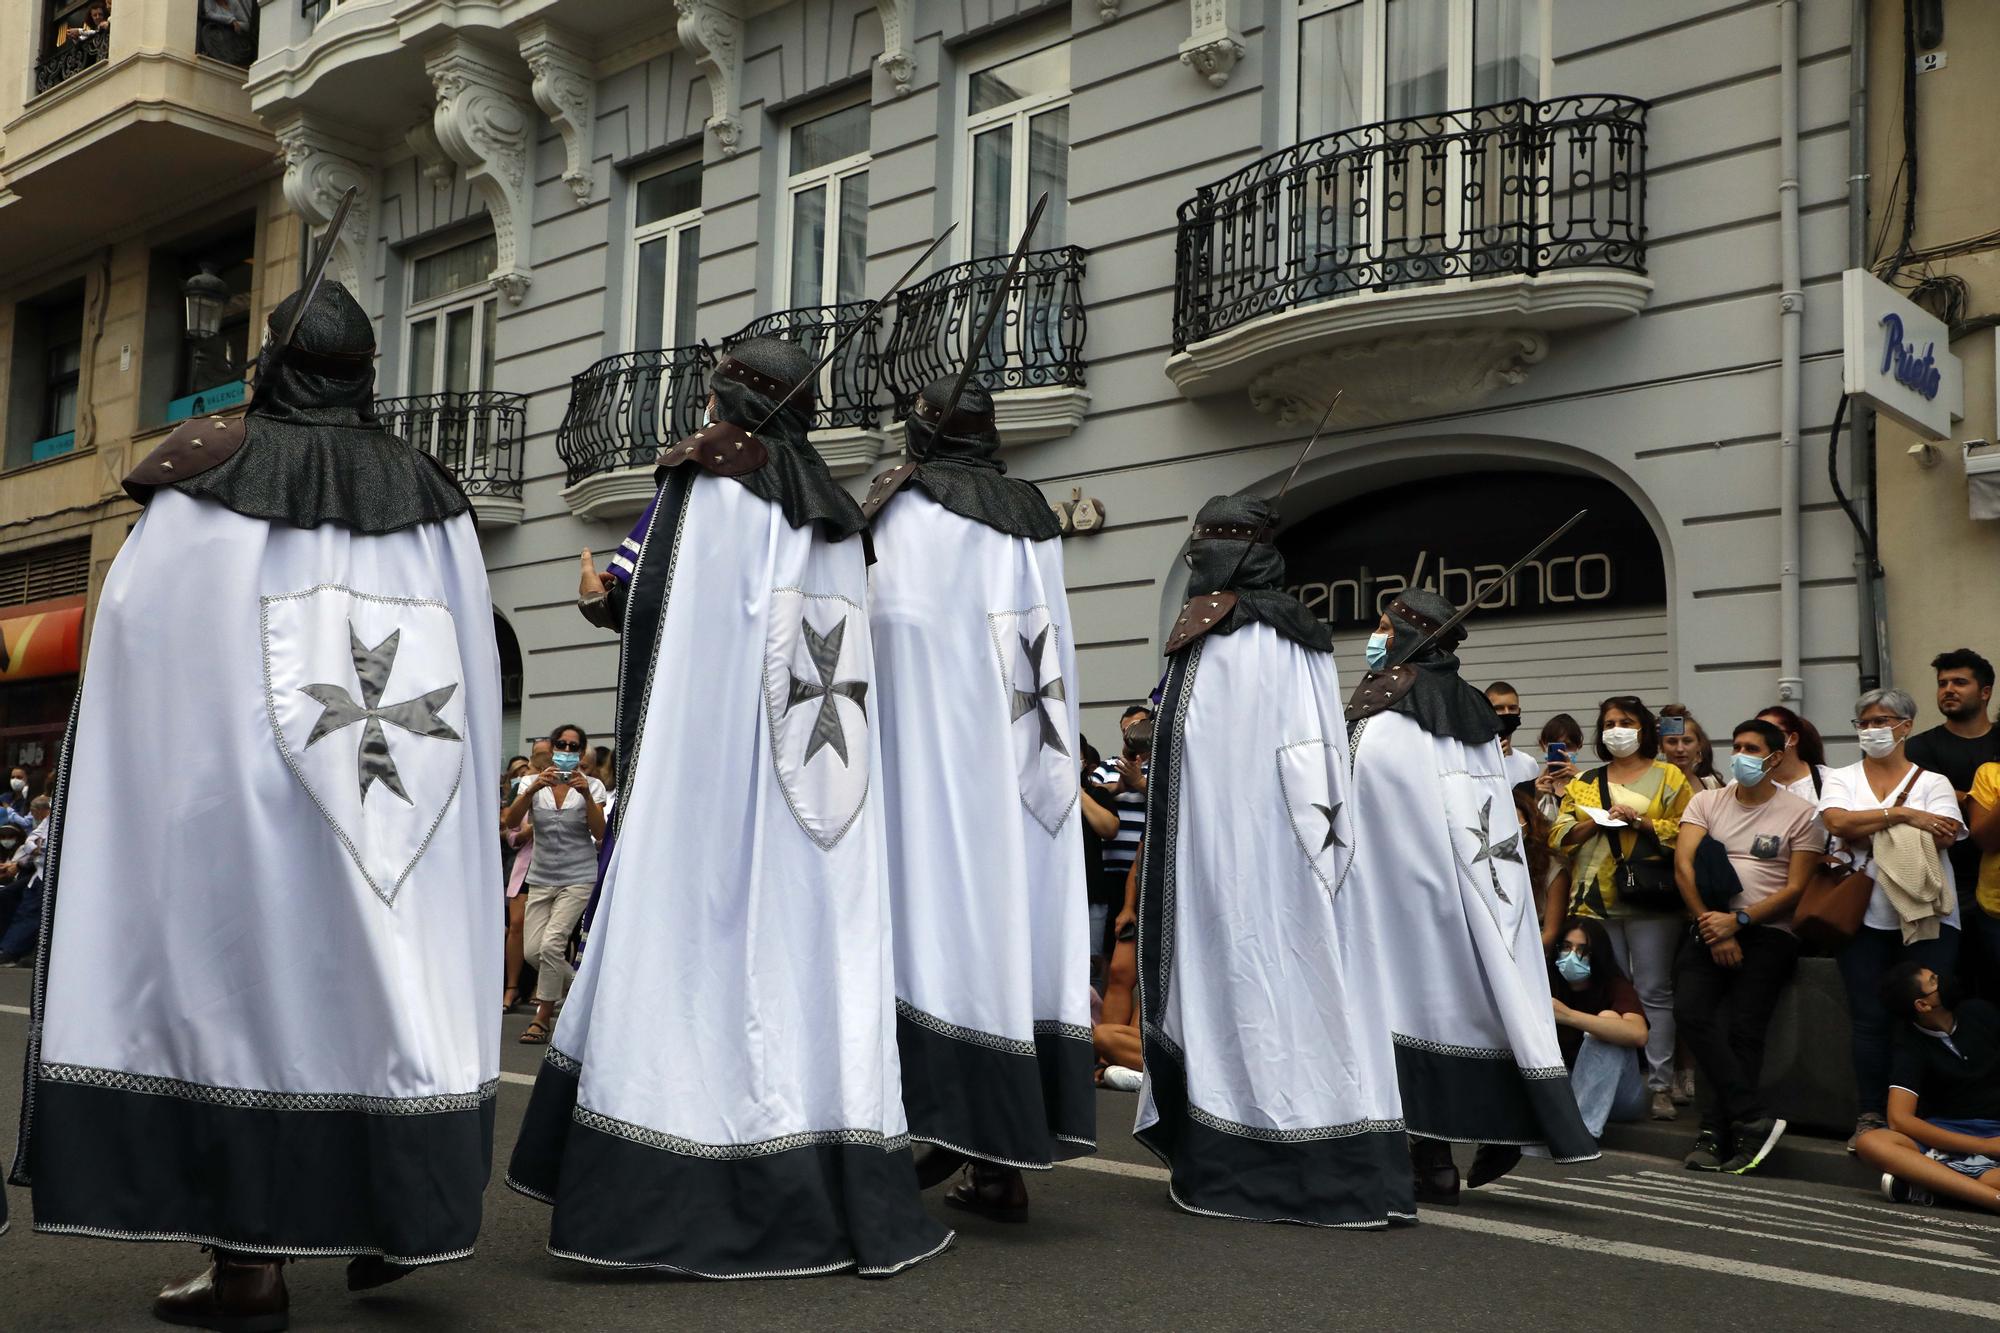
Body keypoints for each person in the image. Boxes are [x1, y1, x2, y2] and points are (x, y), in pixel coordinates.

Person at [10, 277, 500, 1327]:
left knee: (245, 1015)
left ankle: (248, 1271)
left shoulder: (205, 480)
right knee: (383, 1002)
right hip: (393, 806)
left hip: (244, 815)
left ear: (269, 366)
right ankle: (394, 1214)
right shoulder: (432, 496)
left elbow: (149, 673)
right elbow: (471, 671)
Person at [508, 338, 950, 1277]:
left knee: (696, 963)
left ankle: (675, 1190)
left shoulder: (708, 481)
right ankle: (823, 1188)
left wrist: (601, 597)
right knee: (797, 971)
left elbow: (650, 604)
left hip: (711, 782)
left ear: (727, 405)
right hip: (822, 797)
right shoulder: (837, 516)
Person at [1132, 497, 1411, 1227]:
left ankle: (1260, 1156)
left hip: (1240, 861)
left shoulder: (1227, 639)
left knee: (1246, 993)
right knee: (1305, 989)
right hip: (1300, 853)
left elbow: (1220, 765)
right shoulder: (1306, 636)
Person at [864, 377, 1097, 1221]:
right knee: (1000, 932)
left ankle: (920, 1143)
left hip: (936, 766)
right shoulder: (1030, 519)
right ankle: (995, 1161)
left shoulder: (908, 510)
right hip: (1020, 760)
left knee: (930, 929)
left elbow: (887, 626)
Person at [1347, 587, 1597, 1206]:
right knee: (1477, 1004)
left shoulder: (1385, 715)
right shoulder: (1474, 717)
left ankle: (1428, 1156)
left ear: (1405, 635)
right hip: (1480, 885)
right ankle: (1448, 1149)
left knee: (1407, 1014)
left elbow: (1356, 805)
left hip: (1399, 898)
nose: (1374, 636)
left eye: (1382, 626)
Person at [1671, 719, 1826, 1175]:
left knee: (1744, 1029)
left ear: (1775, 757)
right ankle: (1751, 1115)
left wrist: (1738, 922)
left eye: (1752, 748)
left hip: (1767, 933)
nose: (1741, 755)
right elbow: (1683, 866)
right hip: (1708, 922)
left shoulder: (1801, 813)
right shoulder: (1706, 801)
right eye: (1736, 746)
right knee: (1692, 1014)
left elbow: (1797, 887)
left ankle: (1717, 1131)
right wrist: (1712, 925)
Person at [1821, 687, 1968, 1151]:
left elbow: (1944, 835)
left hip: (1928, 916)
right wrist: (1904, 814)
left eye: (1882, 721)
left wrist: (1871, 822)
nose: (1872, 730)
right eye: (1864, 722)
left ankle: (1932, 1117)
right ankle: (1871, 1114)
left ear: (1905, 726)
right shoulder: (1841, 777)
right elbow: (1837, 823)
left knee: (1931, 1012)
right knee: (1869, 1019)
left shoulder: (1934, 781)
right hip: (1863, 916)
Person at [1551, 696, 1694, 1121]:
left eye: (1626, 721)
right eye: (1609, 722)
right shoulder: (1585, 782)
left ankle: (1659, 1083)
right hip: (1594, 901)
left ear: (1643, 728)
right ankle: (1615, 1077)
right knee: (1614, 988)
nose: (1616, 729)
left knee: (1652, 990)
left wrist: (1642, 822)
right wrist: (1592, 822)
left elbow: (1687, 830)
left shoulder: (1669, 776)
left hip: (1652, 899)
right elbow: (1557, 836)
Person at [1857, 963, 2000, 1211]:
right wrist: (1983, 1146)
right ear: (1922, 1005)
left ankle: (1935, 1187)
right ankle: (1991, 1199)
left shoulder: (1981, 1013)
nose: (1943, 981)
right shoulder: (1910, 1043)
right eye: (1934, 981)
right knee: (1870, 1142)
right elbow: (1899, 1120)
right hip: (1950, 1137)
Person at [503, 724, 605, 1045]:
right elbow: (509, 821)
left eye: (573, 746)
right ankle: (586, 990)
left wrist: (585, 794)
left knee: (551, 945)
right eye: (561, 744)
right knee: (533, 950)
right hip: (542, 876)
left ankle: (542, 1019)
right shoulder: (532, 783)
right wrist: (531, 791)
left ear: (580, 752)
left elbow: (600, 832)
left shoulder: (593, 786)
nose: (566, 750)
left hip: (578, 876)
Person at [1907, 651, 2000, 994]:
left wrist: (1958, 795)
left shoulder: (1998, 740)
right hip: (1945, 881)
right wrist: (1978, 797)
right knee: (1947, 984)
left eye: (1960, 682)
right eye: (1942, 683)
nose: (1948, 689)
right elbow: (1921, 803)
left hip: (1995, 878)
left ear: (1985, 691)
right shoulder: (1920, 747)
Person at [1548, 916, 1649, 1138]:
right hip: (1568, 1084)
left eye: (1582, 950)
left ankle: (1579, 1133)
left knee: (1609, 1020)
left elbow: (1638, 1034)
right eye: (1566, 947)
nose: (1572, 955)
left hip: (1621, 1098)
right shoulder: (1547, 980)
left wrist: (1569, 1016)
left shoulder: (1614, 984)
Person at [1089, 705, 1151, 894]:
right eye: (1127, 730)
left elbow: (1174, 801)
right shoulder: (1108, 767)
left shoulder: (1164, 766)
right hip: (1109, 870)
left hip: (1147, 872)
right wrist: (1116, 788)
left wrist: (1140, 782)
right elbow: (1087, 795)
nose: (1132, 734)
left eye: (1137, 726)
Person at [1757, 704, 1828, 802]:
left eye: (1770, 732)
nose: (1760, 740)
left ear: (1793, 739)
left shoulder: (1829, 780)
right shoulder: (1745, 784)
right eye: (1756, 734)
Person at [1487, 681, 1540, 786]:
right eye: (1499, 708)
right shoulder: (1473, 761)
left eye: (1512, 708)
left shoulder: (1529, 764)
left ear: (1519, 711)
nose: (1507, 713)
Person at [1659, 704, 1722, 791]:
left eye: (1687, 741)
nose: (1680, 749)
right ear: (1662, 747)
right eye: (1672, 742)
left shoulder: (1712, 786)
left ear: (1699, 745)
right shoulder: (1653, 786)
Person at [196, 0, 255, 64]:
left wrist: (236, 24)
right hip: (217, 41)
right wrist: (230, 20)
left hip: (235, 44)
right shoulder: (209, 1)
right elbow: (209, 14)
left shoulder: (233, 3)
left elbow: (246, 25)